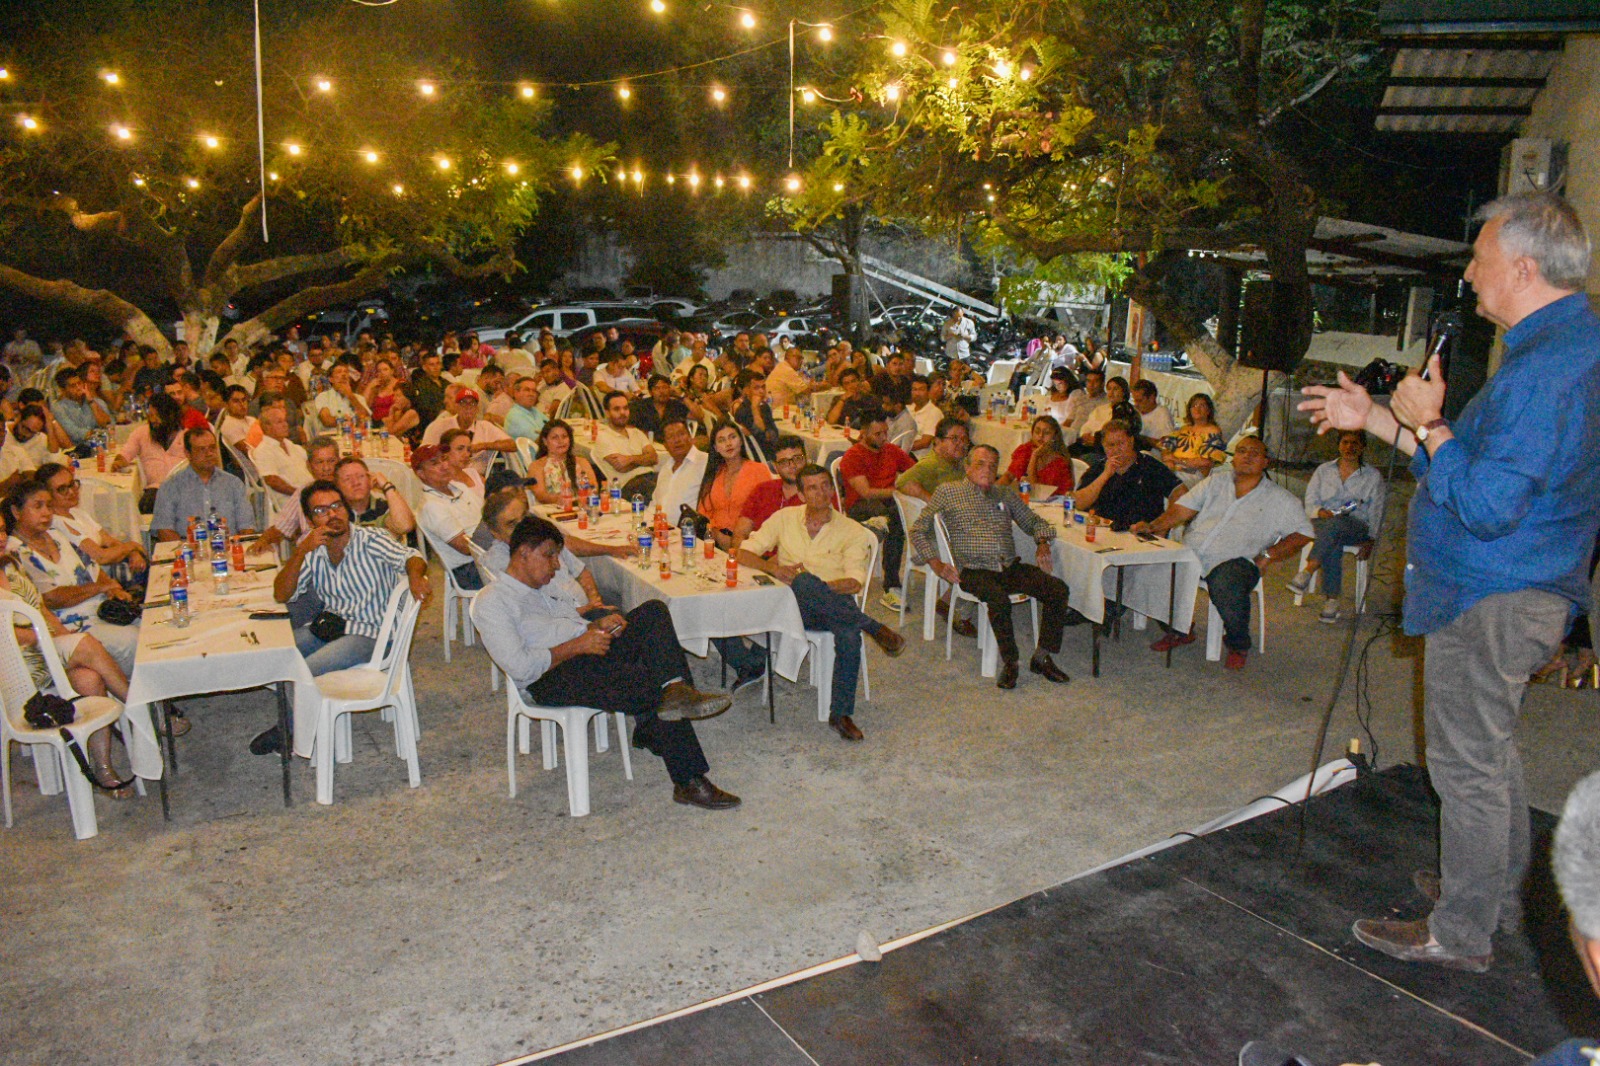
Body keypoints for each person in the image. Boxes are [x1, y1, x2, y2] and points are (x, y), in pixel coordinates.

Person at [1300, 190, 1600, 973]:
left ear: (1525, 268)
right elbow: (1477, 468)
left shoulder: (1551, 367)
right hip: (1511, 586)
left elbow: (1489, 502)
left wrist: (1430, 423)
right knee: (1488, 756)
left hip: (1493, 589)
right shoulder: (1556, 351)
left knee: (1466, 767)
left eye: (1480, 259)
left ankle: (1459, 932)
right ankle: (1490, 893)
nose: (1468, 275)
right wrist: (1373, 419)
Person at [476, 515, 741, 810]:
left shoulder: (543, 588)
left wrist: (595, 625)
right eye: (549, 555)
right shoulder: (493, 601)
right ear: (523, 552)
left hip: (584, 647)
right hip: (550, 676)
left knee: (653, 613)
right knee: (647, 680)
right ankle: (688, 780)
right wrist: (579, 644)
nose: (556, 566)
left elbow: (567, 622)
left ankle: (674, 693)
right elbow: (520, 667)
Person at [247, 480, 431, 756]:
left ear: (345, 509)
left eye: (336, 506)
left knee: (300, 670)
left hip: (372, 634)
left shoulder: (371, 539)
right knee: (278, 655)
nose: (332, 515)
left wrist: (415, 577)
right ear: (310, 521)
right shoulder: (313, 552)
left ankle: (293, 734)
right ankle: (300, 721)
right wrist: (299, 553)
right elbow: (281, 593)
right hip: (334, 628)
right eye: (321, 511)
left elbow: (412, 556)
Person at [738, 464, 905, 741]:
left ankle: (840, 714)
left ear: (833, 488)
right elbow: (744, 553)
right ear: (801, 495)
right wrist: (775, 570)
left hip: (834, 603)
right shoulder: (784, 518)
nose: (821, 492)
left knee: (845, 627)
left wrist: (816, 586)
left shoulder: (852, 530)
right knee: (807, 586)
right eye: (812, 487)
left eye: (826, 485)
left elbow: (854, 582)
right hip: (791, 609)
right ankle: (874, 628)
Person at [0, 504, 157, 785]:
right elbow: (14, 635)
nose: (1, 537)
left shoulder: (9, 565)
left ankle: (104, 769)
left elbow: (42, 609)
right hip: (18, 665)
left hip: (48, 650)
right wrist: (45, 637)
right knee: (85, 643)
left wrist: (58, 634)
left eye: (1, 530)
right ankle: (138, 706)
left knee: (89, 679)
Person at [1135, 435, 1312, 670]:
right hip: (1192, 552)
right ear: (1233, 457)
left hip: (1238, 561)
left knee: (1225, 584)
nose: (1247, 456)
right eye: (1242, 451)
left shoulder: (1281, 499)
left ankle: (1238, 643)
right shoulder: (1215, 482)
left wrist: (1269, 555)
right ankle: (1180, 629)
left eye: (1254, 453)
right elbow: (1180, 511)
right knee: (1150, 567)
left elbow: (1304, 532)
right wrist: (1153, 526)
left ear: (1266, 462)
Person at [909, 445, 1078, 689]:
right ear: (967, 467)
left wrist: (1042, 542)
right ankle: (1011, 663)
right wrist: (936, 563)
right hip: (973, 570)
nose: (987, 470)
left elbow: (1035, 522)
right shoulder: (948, 492)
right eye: (980, 463)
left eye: (992, 465)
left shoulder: (1005, 495)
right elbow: (918, 530)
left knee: (1057, 589)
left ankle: (1042, 656)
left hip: (1008, 566)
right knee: (999, 599)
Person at [4, 479, 141, 675]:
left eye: (49, 506)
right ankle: (138, 700)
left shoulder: (57, 535)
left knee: (146, 625)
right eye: (38, 506)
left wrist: (113, 589)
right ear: (16, 512)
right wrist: (99, 588)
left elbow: (92, 567)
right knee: (131, 640)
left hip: (101, 609)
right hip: (70, 625)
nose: (46, 513)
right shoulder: (16, 552)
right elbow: (50, 598)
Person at [1287, 430, 1385, 623]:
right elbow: (1310, 501)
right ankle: (1331, 601)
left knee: (1336, 527)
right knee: (1333, 535)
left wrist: (1371, 539)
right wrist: (1318, 512)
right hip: (1323, 522)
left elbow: (1377, 510)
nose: (1350, 447)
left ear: (1363, 447)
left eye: (1355, 443)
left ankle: (1308, 570)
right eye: (1345, 442)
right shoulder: (1324, 470)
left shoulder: (1373, 476)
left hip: (1355, 526)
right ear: (1339, 445)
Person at [838, 412, 914, 611]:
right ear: (864, 433)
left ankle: (896, 577)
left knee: (898, 513)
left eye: (885, 432)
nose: (884, 438)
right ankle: (891, 585)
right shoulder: (853, 456)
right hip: (860, 506)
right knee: (895, 520)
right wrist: (896, 491)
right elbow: (865, 492)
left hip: (888, 502)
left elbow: (914, 471)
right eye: (878, 434)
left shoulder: (891, 450)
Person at [35, 462, 148, 579]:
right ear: (47, 495)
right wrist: (132, 545)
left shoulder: (76, 512)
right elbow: (100, 557)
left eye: (72, 484)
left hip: (112, 568)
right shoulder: (57, 523)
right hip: (97, 580)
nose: (72, 491)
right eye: (62, 489)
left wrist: (132, 553)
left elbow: (109, 541)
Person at [1072, 420, 1186, 529]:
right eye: (1111, 445)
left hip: (1140, 533)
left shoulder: (1149, 466)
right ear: (1103, 446)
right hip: (1103, 531)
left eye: (1121, 443)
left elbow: (1180, 492)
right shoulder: (1097, 469)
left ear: (1131, 441)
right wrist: (1105, 475)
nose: (1116, 450)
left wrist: (1161, 526)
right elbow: (1078, 504)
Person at [413, 444, 487, 591]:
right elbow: (466, 548)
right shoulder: (430, 505)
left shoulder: (459, 487)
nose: (444, 466)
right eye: (435, 463)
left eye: (444, 459)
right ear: (421, 474)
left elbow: (488, 515)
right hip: (468, 569)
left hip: (486, 554)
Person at [698, 421, 773, 549]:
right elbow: (703, 513)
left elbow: (768, 513)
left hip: (749, 543)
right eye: (721, 440)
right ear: (716, 448)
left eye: (732, 437)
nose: (728, 444)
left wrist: (739, 541)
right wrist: (717, 536)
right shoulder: (714, 473)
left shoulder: (759, 471)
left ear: (741, 441)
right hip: (715, 540)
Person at [113, 393, 188, 511]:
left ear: (169, 416)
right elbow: (125, 453)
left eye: (156, 416)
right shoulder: (141, 433)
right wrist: (119, 461)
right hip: (155, 491)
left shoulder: (186, 436)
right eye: (150, 415)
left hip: (183, 489)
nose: (153, 420)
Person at [731, 436, 807, 549]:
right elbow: (739, 534)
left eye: (797, 459)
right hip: (756, 558)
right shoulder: (762, 490)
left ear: (806, 459)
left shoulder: (819, 495)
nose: (792, 466)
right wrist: (746, 557)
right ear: (775, 467)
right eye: (784, 462)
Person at [419, 387, 514, 471]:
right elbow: (423, 452)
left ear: (477, 409)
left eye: (472, 403)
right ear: (456, 406)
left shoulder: (485, 427)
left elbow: (512, 445)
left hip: (477, 478)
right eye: (463, 403)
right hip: (447, 475)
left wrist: (484, 446)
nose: (468, 407)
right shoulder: (440, 425)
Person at [594, 391, 658, 494]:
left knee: (674, 482)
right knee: (665, 492)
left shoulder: (636, 432)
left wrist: (630, 459)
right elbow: (622, 467)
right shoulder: (603, 436)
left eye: (625, 408)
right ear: (607, 412)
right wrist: (643, 459)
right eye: (617, 409)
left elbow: (654, 458)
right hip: (627, 486)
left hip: (650, 477)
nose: (622, 412)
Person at [248, 404, 311, 509]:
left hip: (310, 493)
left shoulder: (289, 444)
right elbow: (272, 481)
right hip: (292, 501)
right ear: (266, 427)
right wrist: (300, 494)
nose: (285, 425)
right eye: (279, 422)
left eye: (285, 421)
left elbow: (310, 464)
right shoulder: (263, 451)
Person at [1159, 393, 1229, 484]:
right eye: (1194, 405)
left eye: (1202, 405)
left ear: (1208, 411)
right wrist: (1169, 461)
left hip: (1192, 475)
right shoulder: (1184, 429)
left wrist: (1177, 460)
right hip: (1175, 470)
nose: (1197, 409)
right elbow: (1166, 447)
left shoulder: (1212, 431)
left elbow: (1206, 462)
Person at [896, 417, 971, 503]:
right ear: (938, 441)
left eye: (964, 439)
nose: (961, 444)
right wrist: (935, 504)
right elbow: (902, 482)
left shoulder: (960, 463)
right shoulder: (930, 464)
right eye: (954, 439)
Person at [1001, 416, 1075, 498]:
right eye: (1037, 431)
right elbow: (1008, 476)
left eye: (1046, 433)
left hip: (1053, 502)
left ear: (1055, 436)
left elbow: (1034, 492)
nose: (1040, 436)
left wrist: (1034, 457)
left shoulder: (1060, 461)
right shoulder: (1025, 450)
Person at [650, 419, 708, 519]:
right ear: (665, 445)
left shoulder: (705, 462)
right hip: (659, 528)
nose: (677, 440)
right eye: (671, 437)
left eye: (681, 434)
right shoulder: (666, 468)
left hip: (690, 531)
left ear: (690, 437)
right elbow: (654, 504)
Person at [0, 405, 63, 491]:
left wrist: (50, 429)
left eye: (32, 432)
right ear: (18, 418)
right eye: (25, 428)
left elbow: (55, 465)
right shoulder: (4, 432)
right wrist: (8, 483)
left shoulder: (40, 439)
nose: (26, 434)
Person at [50, 366, 111, 452]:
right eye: (73, 386)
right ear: (63, 390)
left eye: (79, 383)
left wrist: (91, 402)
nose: (78, 388)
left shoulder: (96, 402)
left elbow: (107, 424)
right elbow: (75, 433)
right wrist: (99, 433)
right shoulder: (58, 407)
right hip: (80, 452)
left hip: (104, 448)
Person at [629, 374, 690, 442]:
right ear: (650, 392)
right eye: (657, 388)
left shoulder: (676, 405)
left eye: (665, 387)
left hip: (673, 444)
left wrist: (680, 395)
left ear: (670, 389)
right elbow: (630, 428)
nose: (661, 391)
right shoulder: (640, 406)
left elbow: (699, 416)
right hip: (646, 444)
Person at [1131, 380, 1175, 444]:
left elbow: (1167, 444)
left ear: (1152, 398)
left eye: (1140, 401)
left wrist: (1142, 439)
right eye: (1135, 401)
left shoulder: (1162, 415)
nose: (1136, 404)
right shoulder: (1134, 412)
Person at [215, 385, 258, 449]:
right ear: (226, 405)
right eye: (236, 401)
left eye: (244, 400)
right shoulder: (229, 426)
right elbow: (249, 451)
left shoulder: (252, 419)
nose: (242, 404)